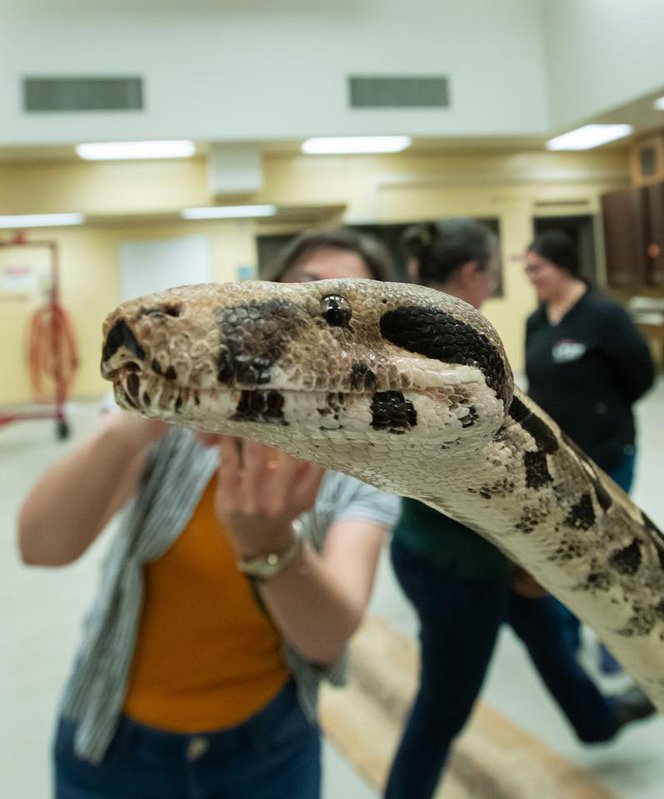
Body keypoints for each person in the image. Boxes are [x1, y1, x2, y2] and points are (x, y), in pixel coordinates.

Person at [18, 226, 401, 799]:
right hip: (111, 734)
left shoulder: (363, 464)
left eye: (348, 311)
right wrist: (129, 428)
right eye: (312, 292)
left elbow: (326, 638)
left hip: (266, 750)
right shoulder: (181, 413)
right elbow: (41, 546)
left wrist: (268, 543)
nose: (324, 322)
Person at [386, 219, 655, 799]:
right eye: (500, 272)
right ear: (471, 274)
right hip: (459, 561)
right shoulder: (446, 346)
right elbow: (469, 468)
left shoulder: (424, 330)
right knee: (443, 708)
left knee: (547, 638)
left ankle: (596, 721)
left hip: (461, 547)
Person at [523, 229, 656, 672]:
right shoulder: (536, 322)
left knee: (610, 548)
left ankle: (615, 639)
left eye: (537, 268)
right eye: (527, 270)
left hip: (608, 451)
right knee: (568, 547)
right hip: (560, 457)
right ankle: (570, 629)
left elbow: (641, 375)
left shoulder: (603, 316)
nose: (531, 278)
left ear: (563, 266)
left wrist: (604, 413)